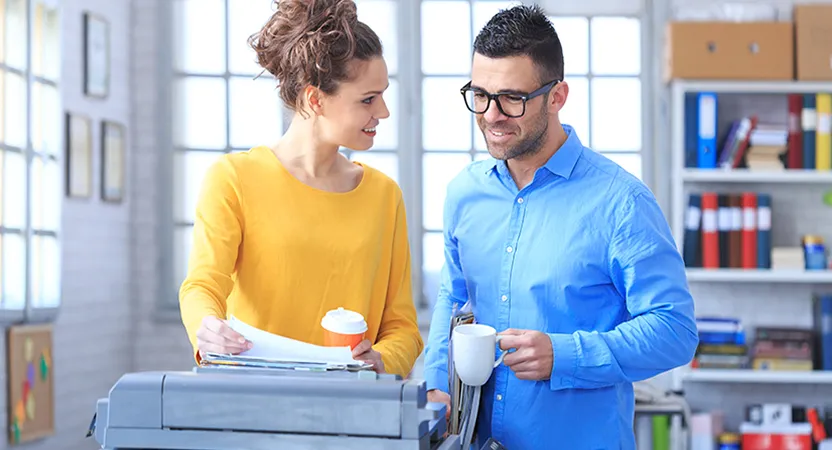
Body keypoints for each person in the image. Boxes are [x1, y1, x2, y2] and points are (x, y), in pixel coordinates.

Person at [423, 5, 698, 449]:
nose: (491, 115)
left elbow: (675, 331)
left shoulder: (621, 202)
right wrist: (437, 380)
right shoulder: (464, 193)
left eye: (512, 97)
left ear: (557, 96)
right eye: (480, 94)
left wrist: (566, 356)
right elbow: (453, 296)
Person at [178, 0, 423, 379]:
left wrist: (383, 359)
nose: (385, 111)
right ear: (315, 99)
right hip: (254, 405)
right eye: (368, 99)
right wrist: (205, 327)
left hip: (353, 414)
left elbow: (403, 327)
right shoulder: (233, 178)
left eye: (383, 94)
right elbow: (202, 285)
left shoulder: (384, 196)